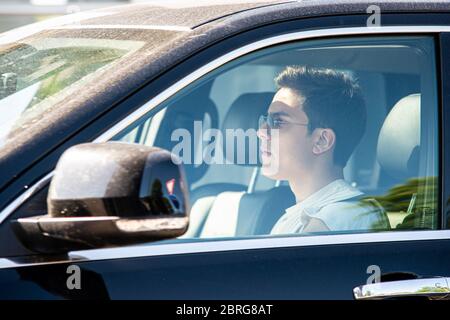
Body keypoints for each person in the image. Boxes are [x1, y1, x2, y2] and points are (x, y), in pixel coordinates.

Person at [257, 66, 390, 234]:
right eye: (265, 120)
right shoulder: (296, 216)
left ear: (322, 140)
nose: (261, 132)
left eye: (278, 122)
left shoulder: (342, 217)